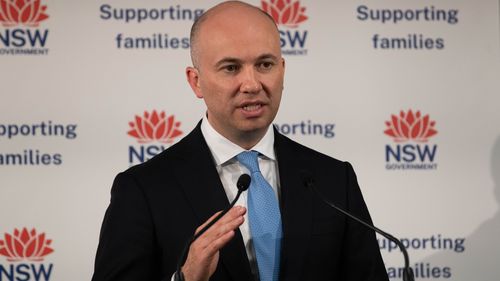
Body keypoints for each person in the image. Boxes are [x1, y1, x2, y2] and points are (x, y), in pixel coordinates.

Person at [92, 1, 389, 281]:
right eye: (231, 68)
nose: (251, 84)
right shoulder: (144, 190)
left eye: (265, 65)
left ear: (282, 71)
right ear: (196, 81)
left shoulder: (334, 181)